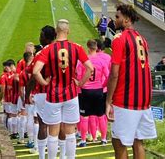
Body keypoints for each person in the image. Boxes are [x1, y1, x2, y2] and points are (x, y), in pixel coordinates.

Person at [33, 19, 94, 159]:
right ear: (68, 31)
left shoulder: (48, 49)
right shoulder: (76, 47)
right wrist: (80, 84)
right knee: (70, 132)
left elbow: (36, 71)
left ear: (56, 31)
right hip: (71, 94)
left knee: (52, 132)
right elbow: (90, 68)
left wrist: (44, 83)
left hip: (53, 95)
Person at [106, 4, 156, 159]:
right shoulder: (142, 39)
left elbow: (114, 74)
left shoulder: (120, 39)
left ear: (126, 19)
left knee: (119, 143)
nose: (115, 19)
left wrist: (108, 101)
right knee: (137, 141)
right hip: (143, 100)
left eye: (117, 17)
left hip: (125, 100)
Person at [25, 25, 57, 157]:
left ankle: (42, 155)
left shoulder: (40, 54)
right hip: (57, 92)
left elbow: (33, 76)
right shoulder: (60, 51)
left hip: (43, 93)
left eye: (41, 35)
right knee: (57, 125)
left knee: (43, 124)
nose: (39, 37)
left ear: (46, 37)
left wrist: (27, 94)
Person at [77, 40, 110, 147]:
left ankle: (83, 140)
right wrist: (102, 85)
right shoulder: (102, 61)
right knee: (100, 115)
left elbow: (79, 75)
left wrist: (80, 84)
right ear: (96, 48)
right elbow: (108, 76)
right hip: (98, 90)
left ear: (88, 48)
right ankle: (104, 139)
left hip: (86, 91)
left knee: (84, 116)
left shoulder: (83, 61)